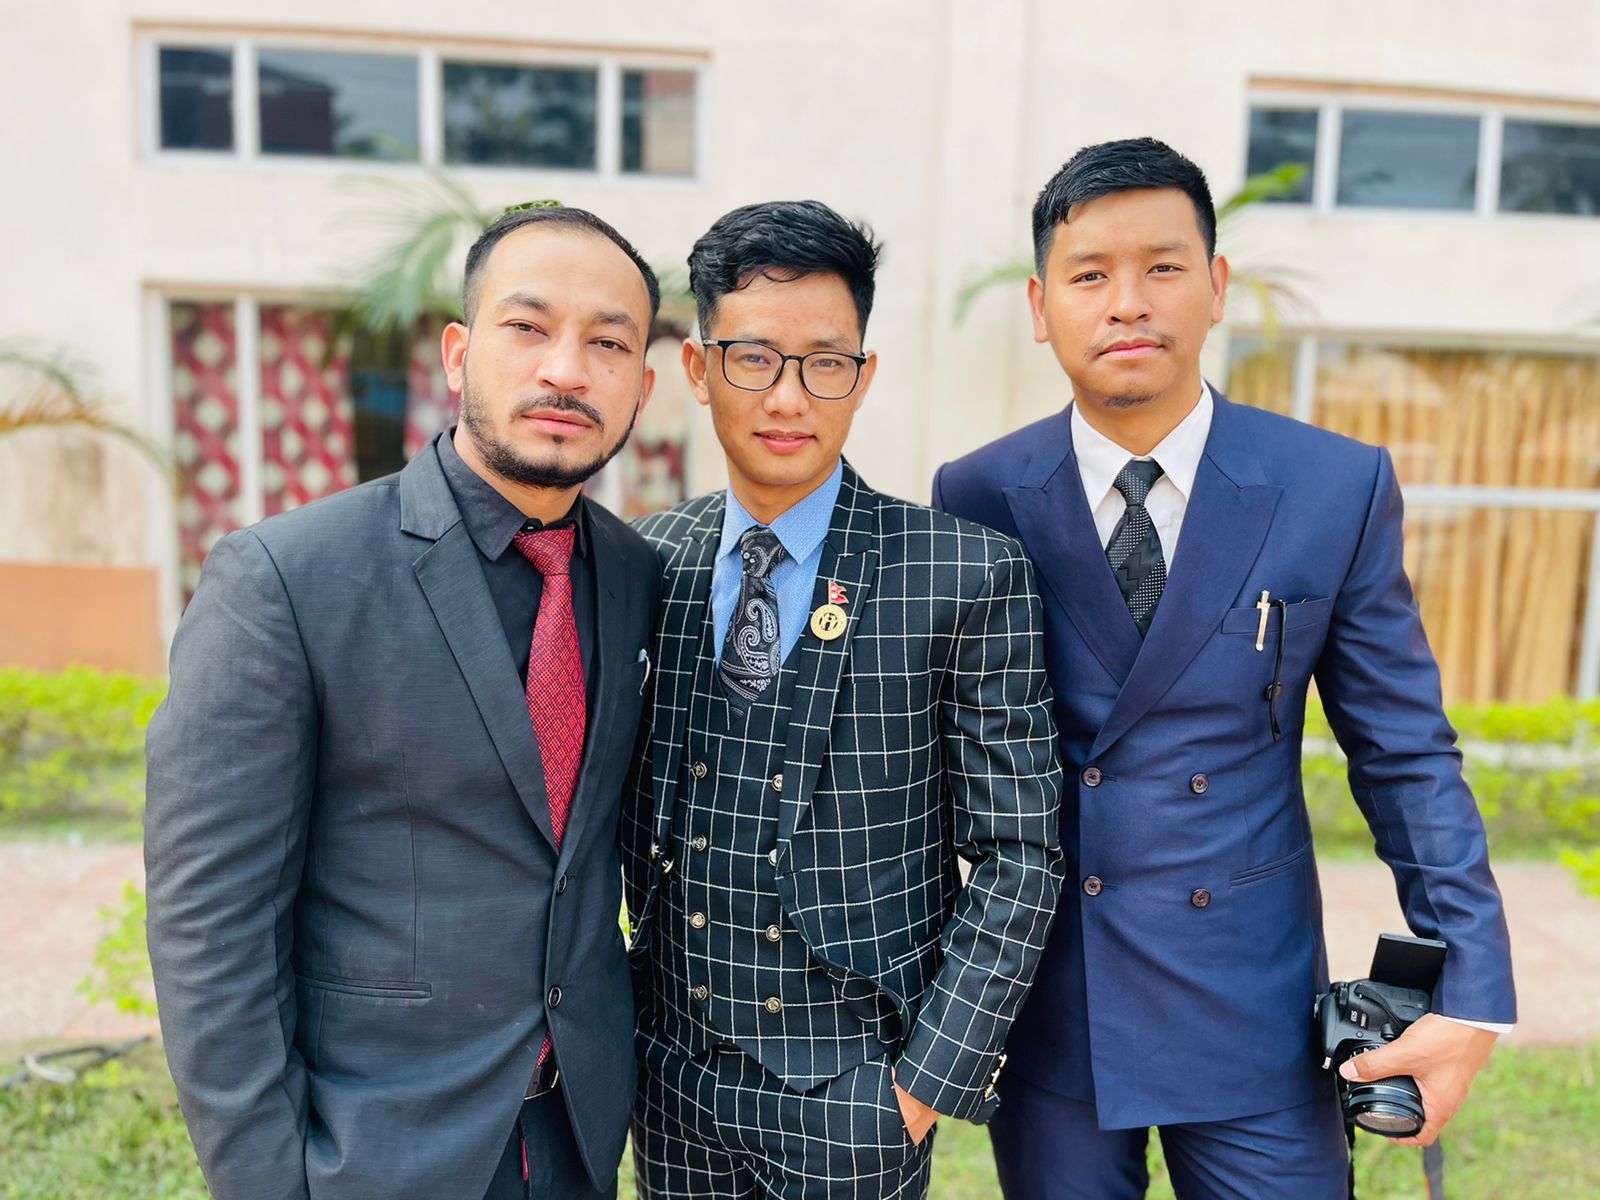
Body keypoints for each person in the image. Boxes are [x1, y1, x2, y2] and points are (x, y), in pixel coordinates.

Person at [933, 138, 1517, 1199]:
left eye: (1162, 267)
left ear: (1215, 286)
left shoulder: (1331, 484)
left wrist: (1469, 986)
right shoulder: (975, 493)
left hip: (1254, 1004)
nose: (1127, 302)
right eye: (1089, 274)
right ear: (1040, 305)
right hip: (1055, 1002)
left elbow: (1402, 752)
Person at [145, 204, 663, 1200]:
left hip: (575, 1139)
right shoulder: (288, 578)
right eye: (528, 326)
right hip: (369, 1151)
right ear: (459, 355)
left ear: (641, 386)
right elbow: (211, 921)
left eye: (608, 343)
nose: (566, 369)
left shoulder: (636, 577)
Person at [621, 199, 1064, 1199]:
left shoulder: (963, 572)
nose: (788, 397)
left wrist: (921, 1085)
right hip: (673, 1078)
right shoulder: (647, 559)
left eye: (825, 362)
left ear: (863, 376)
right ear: (697, 368)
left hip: (858, 1093)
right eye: (753, 358)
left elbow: (1020, 851)